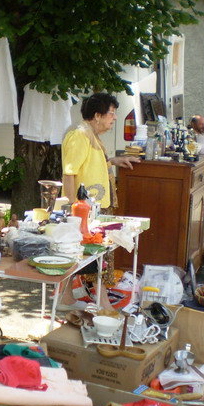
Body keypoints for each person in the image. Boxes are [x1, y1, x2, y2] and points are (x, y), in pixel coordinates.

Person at [58, 92, 140, 310]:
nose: (114, 118)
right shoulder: (79, 135)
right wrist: (70, 208)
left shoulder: (90, 135)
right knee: (96, 254)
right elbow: (69, 173)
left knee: (88, 253)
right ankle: (103, 304)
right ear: (97, 115)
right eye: (111, 114)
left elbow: (93, 164)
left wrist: (114, 161)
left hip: (95, 206)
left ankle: (65, 299)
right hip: (85, 209)